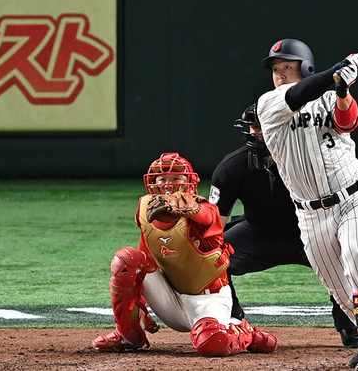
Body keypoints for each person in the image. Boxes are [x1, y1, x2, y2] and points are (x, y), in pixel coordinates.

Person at [255, 38, 358, 371]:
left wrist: (343, 88)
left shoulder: (328, 95)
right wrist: (337, 72)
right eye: (276, 69)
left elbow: (348, 122)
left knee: (357, 256)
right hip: (310, 216)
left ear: (305, 68)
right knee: (342, 292)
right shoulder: (268, 104)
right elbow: (297, 94)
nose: (279, 74)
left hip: (354, 199)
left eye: (287, 67)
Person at [91, 152, 278, 357]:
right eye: (162, 179)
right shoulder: (146, 209)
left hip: (209, 300)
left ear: (188, 183)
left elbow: (207, 216)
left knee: (212, 344)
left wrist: (192, 209)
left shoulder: (206, 209)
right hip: (170, 297)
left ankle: (244, 332)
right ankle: (129, 336)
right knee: (127, 259)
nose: (168, 185)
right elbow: (145, 260)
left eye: (176, 179)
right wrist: (138, 305)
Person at [209, 103, 358, 348]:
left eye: (268, 125)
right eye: (256, 127)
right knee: (211, 257)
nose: (262, 133)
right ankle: (233, 322)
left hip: (309, 232)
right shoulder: (232, 167)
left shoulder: (312, 160)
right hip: (258, 233)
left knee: (349, 256)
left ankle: (351, 325)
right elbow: (213, 225)